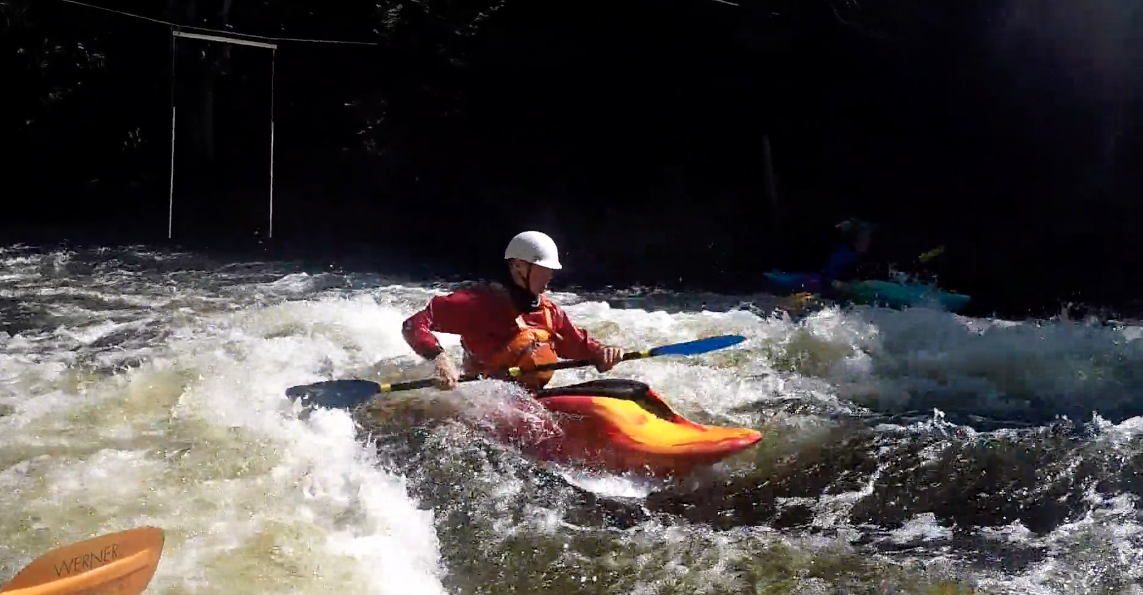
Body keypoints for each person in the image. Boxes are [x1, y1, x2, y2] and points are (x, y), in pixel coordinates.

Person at [401, 231, 624, 391]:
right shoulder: (480, 303)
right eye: (544, 270)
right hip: (480, 400)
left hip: (529, 400)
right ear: (518, 266)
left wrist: (603, 352)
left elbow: (579, 345)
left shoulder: (549, 312)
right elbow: (414, 324)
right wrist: (438, 359)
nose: (550, 277)